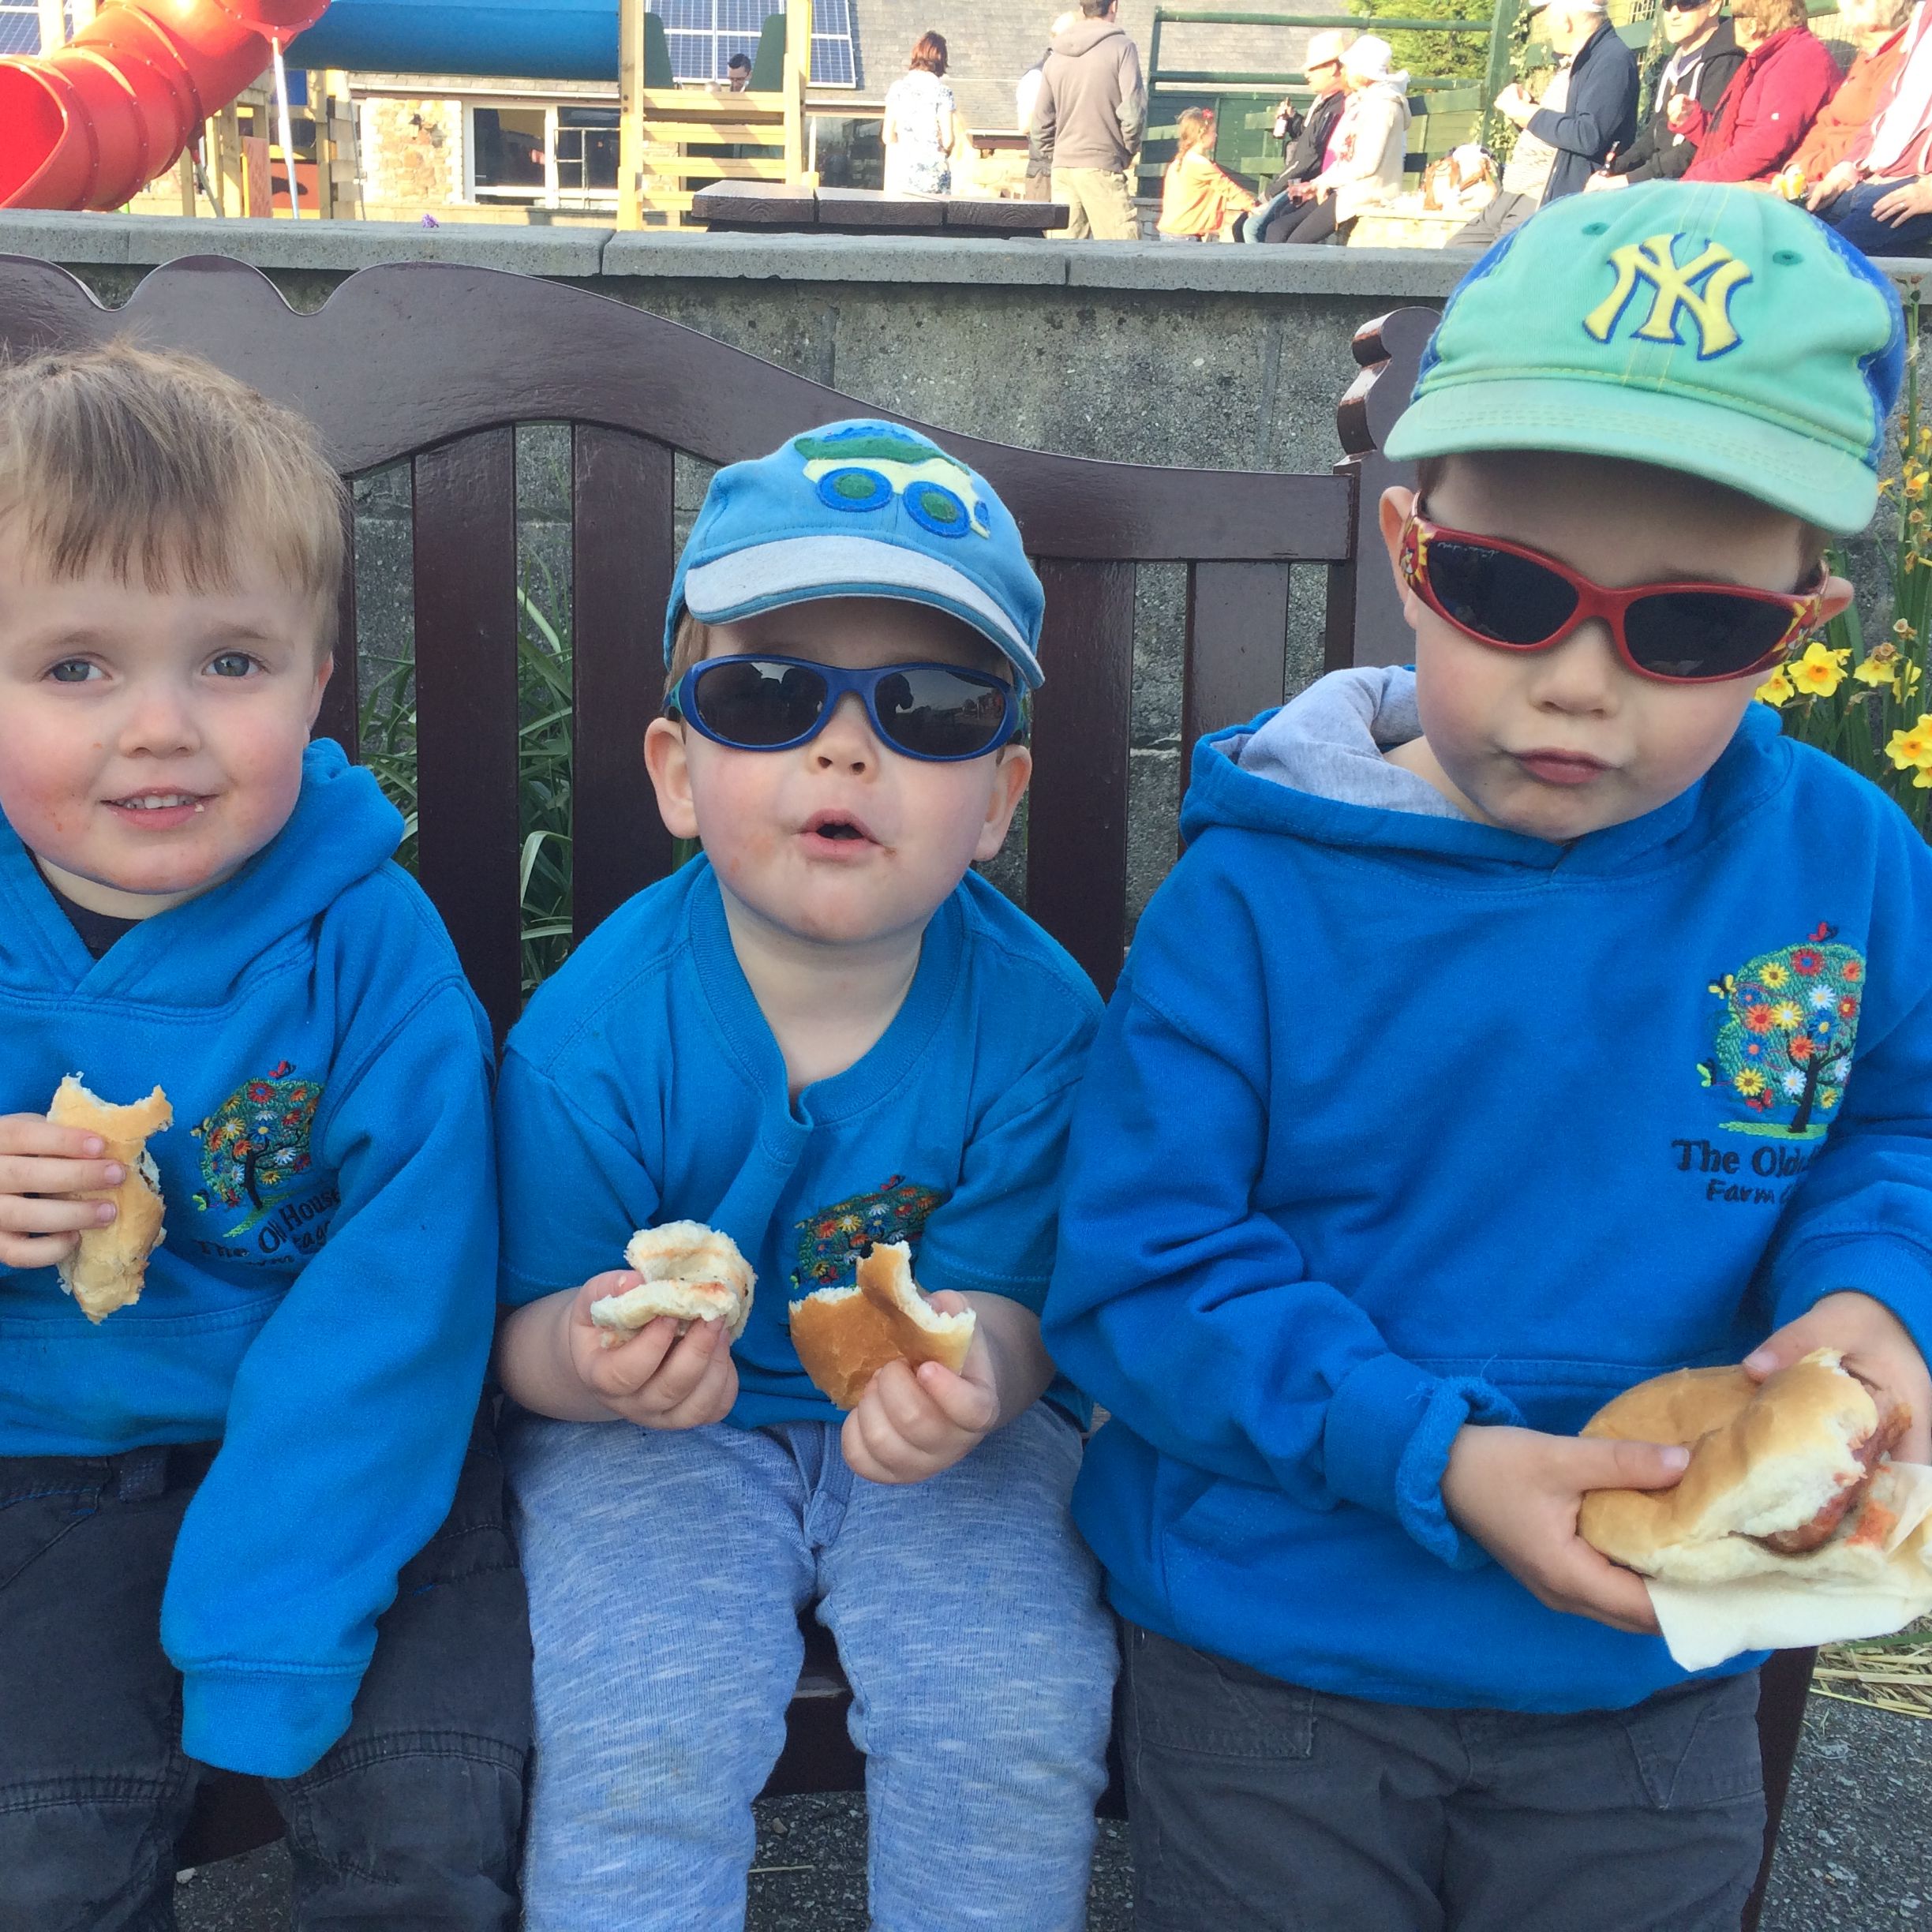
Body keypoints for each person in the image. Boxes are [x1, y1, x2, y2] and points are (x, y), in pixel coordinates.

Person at [1044, 180, 1932, 1932]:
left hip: (1662, 1663)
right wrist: (1432, 1457)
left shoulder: (1846, 871)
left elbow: (1892, 1122)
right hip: (1281, 1640)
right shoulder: (1260, 898)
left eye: (1690, 629)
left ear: (1802, 621)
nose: (1585, 684)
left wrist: (1873, 1287)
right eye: (1511, 589)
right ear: (1409, 550)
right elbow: (1138, 1270)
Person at [495, 419, 1118, 1932]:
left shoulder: (1036, 1024)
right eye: (766, 695)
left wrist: (984, 1376)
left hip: (938, 1433)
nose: (845, 747)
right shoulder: (596, 1029)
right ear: (675, 769)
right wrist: (593, 1358)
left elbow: (1028, 1303)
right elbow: (514, 1336)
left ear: (998, 797)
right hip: (657, 1436)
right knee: (646, 1715)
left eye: (932, 707)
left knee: (1012, 1699)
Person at [0, 342, 527, 1926]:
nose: (158, 728)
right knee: (40, 1853)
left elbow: (407, 1295)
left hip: (360, 1461)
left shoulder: (366, 943)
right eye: (76, 668)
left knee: (429, 1828)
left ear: (314, 683)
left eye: (228, 663)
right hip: (41, 1464)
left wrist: (275, 1624)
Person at [1455, 0, 1638, 241]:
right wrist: (1525, 111)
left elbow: (1587, 135)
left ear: (1565, 21)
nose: (1548, 26)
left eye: (1548, 16)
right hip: (1511, 193)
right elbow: (1558, 129)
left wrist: (1529, 114)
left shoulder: (1612, 60)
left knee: (1499, 271)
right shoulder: (1574, 61)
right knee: (1451, 257)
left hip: (1542, 197)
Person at [1249, 34, 1410, 244]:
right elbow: (1345, 157)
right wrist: (1317, 184)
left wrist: (1322, 183)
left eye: (1348, 67)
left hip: (1364, 190)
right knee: (1278, 227)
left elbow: (1366, 165)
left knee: (1292, 240)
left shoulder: (1383, 107)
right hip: (1344, 188)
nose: (1342, 71)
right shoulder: (1365, 103)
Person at [1806, 0, 1932, 253]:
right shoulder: (1924, 15)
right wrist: (1843, 173)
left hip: (1915, 190)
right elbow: (1887, 108)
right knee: (1788, 227)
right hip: (1874, 180)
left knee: (1824, 258)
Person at [1586, 0, 1742, 185]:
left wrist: (1628, 180)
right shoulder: (1675, 61)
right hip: (1663, 181)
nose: (1673, 14)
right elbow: (1654, 133)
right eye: (1667, 4)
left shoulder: (1728, 62)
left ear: (1714, 6)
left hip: (1693, 189)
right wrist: (1614, 169)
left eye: (1686, 3)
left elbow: (1699, 148)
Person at [1682, 0, 1841, 182]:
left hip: (1770, 186)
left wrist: (1700, 175)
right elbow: (1732, 136)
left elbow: (1768, 143)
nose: (1730, 25)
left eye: (1735, 17)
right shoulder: (1762, 61)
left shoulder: (1799, 57)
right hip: (1746, 181)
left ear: (1752, 25)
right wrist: (1695, 121)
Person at [1031, 0, 1149, 240]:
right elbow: (1133, 113)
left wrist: (1057, 154)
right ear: (1113, 6)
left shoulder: (1056, 55)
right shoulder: (1121, 48)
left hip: (1063, 168)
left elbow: (1040, 123)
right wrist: (1126, 151)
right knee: (1127, 258)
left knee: (1063, 263)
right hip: (1102, 164)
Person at [1241, 28, 1356, 241]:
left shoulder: (1337, 106)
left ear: (1332, 68)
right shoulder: (1324, 103)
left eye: (1312, 68)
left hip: (1311, 183)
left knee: (1254, 227)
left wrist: (1271, 191)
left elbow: (1310, 157)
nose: (1306, 75)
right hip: (1307, 182)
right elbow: (1310, 140)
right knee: (1255, 225)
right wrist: (1293, 121)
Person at [1157, 105, 1256, 239]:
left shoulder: (1179, 162)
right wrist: (1252, 206)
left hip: (1172, 231)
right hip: (1184, 235)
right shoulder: (1200, 164)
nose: (1216, 135)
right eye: (1213, 131)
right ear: (1201, 134)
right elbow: (1227, 187)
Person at [882, 32, 957, 196]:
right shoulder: (943, 91)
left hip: (904, 171)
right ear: (941, 59)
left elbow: (887, 137)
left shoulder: (897, 88)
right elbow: (948, 140)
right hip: (934, 174)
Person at [1019, 12, 1082, 200]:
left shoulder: (1078, 73)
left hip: (1073, 172)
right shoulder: (1036, 76)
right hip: (1045, 174)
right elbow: (1026, 124)